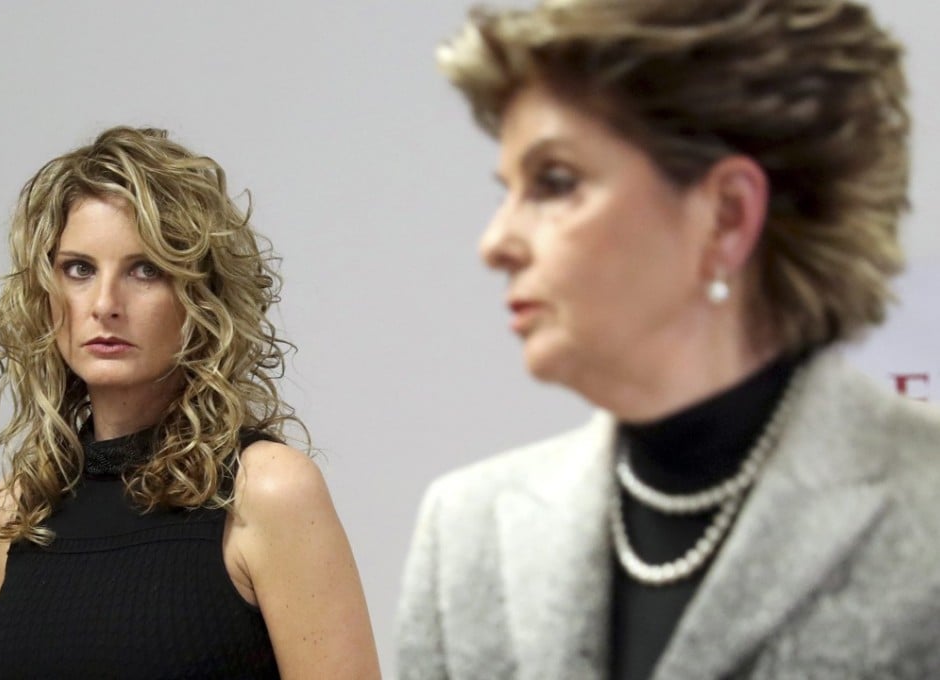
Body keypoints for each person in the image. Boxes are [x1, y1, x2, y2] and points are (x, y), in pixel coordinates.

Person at [396, 1, 940, 678]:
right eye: (507, 190)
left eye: (555, 182)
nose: (495, 243)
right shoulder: (466, 532)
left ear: (728, 214)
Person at [0, 126, 380, 679]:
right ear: (46, 293)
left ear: (200, 296)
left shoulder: (266, 492)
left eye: (146, 269)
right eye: (79, 269)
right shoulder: (18, 513)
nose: (104, 304)